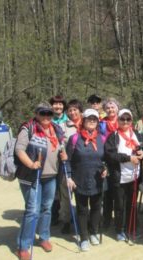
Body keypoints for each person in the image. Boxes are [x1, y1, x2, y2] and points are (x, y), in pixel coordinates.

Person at [15, 102, 67, 260]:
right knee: (32, 211)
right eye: (42, 113)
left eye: (49, 114)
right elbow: (19, 149)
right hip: (31, 176)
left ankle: (44, 237)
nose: (46, 116)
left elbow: (61, 147)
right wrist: (31, 164)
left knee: (47, 208)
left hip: (51, 176)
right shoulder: (28, 128)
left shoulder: (56, 129)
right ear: (36, 113)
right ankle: (23, 246)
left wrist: (63, 155)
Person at [65, 109, 107, 251]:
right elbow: (67, 160)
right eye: (89, 119)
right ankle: (83, 237)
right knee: (82, 210)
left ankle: (93, 232)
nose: (92, 121)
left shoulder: (102, 139)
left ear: (97, 122)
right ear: (83, 121)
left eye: (94, 119)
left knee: (96, 208)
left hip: (97, 180)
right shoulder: (74, 139)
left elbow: (106, 159)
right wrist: (69, 177)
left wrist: (106, 168)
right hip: (79, 180)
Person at [105, 109, 143, 241]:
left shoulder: (137, 135)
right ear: (118, 120)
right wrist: (128, 158)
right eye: (122, 119)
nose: (125, 121)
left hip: (135, 176)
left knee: (132, 204)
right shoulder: (114, 136)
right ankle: (119, 229)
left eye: (128, 119)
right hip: (119, 177)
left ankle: (131, 228)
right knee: (120, 205)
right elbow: (110, 155)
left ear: (131, 120)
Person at [59, 99, 84, 234]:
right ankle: (66, 220)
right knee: (66, 195)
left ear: (80, 110)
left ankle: (83, 219)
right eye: (70, 110)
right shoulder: (63, 126)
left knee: (83, 195)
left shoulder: (87, 123)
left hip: (84, 166)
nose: (72, 112)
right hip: (68, 164)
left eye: (75, 109)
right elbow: (60, 142)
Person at [100, 97, 121, 229]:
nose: (110, 109)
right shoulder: (101, 123)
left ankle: (119, 217)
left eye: (112, 107)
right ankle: (107, 218)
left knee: (118, 190)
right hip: (106, 159)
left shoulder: (123, 120)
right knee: (107, 191)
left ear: (117, 108)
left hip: (120, 160)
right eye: (107, 107)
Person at [49, 95, 68, 226]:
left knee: (65, 190)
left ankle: (67, 218)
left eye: (60, 104)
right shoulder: (47, 120)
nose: (58, 106)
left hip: (66, 160)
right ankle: (53, 216)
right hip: (51, 160)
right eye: (55, 104)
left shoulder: (69, 121)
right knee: (52, 190)